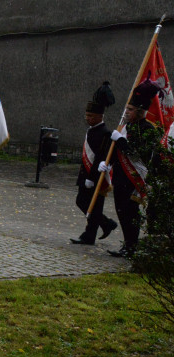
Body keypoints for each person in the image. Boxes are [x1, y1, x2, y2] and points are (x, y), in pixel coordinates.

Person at [100, 80, 163, 257]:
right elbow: (118, 151)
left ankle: (131, 247)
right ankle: (127, 245)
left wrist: (120, 140)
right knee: (121, 211)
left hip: (134, 178)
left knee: (130, 213)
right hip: (120, 176)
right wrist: (108, 162)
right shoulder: (127, 127)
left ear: (140, 111)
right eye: (126, 109)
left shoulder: (147, 129)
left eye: (130, 109)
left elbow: (136, 153)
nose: (126, 112)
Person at [70, 82, 119, 246]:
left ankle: (90, 234)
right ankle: (104, 225)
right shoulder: (92, 130)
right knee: (83, 202)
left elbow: (100, 157)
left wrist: (92, 177)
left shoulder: (105, 133)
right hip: (86, 175)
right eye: (86, 115)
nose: (88, 118)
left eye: (91, 116)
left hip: (96, 176)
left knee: (92, 204)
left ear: (100, 117)